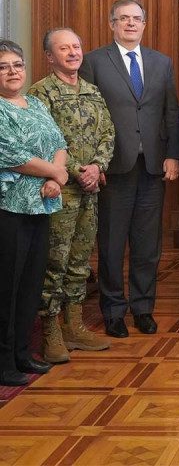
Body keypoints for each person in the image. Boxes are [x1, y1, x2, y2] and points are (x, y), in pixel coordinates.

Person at [81, 0, 179, 339]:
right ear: (112, 24)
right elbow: (88, 118)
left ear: (144, 24)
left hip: (152, 167)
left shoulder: (161, 62)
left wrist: (174, 155)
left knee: (147, 245)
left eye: (136, 18)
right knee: (111, 244)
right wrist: (94, 161)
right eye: (123, 18)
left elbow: (172, 113)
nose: (130, 24)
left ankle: (143, 308)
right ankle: (113, 310)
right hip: (113, 168)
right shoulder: (95, 61)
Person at [28, 29, 115, 363]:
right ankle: (50, 332)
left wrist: (98, 166)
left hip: (90, 192)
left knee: (80, 261)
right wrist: (81, 170)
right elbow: (46, 142)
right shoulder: (41, 93)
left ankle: (74, 326)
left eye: (76, 47)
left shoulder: (93, 92)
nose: (72, 53)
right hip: (58, 191)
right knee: (55, 262)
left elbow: (108, 132)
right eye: (64, 48)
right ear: (50, 57)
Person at [0, 39, 68, 385]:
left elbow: (59, 143)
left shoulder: (37, 103)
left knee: (30, 283)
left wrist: (58, 173)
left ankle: (23, 354)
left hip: (41, 205)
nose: (13, 72)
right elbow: (12, 155)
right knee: (6, 286)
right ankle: (3, 361)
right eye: (4, 66)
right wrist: (55, 173)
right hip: (9, 208)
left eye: (17, 65)